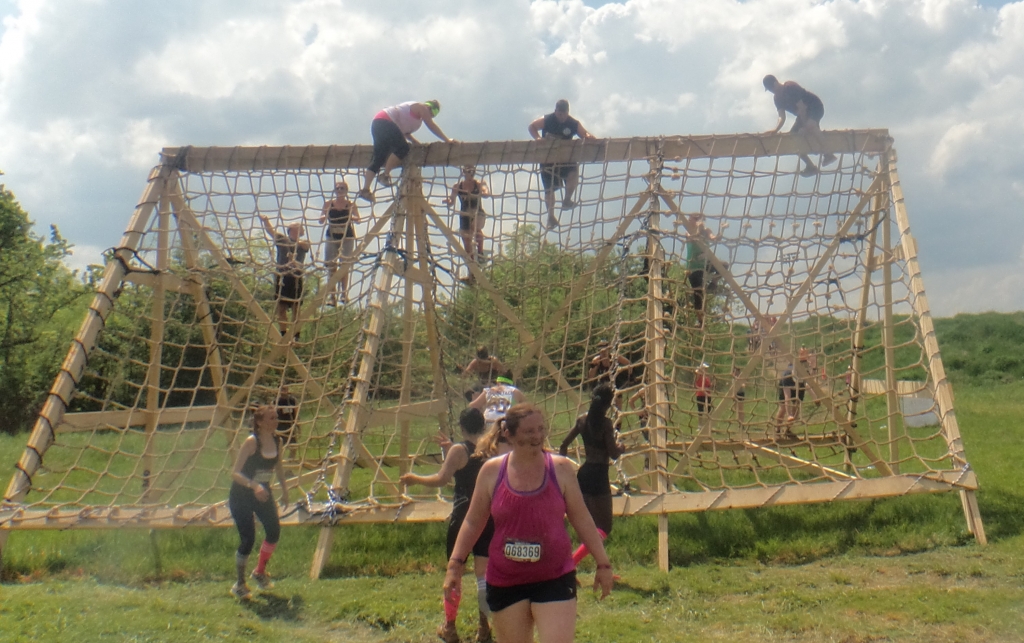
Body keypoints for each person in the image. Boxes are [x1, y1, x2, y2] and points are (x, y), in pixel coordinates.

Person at [443, 404, 614, 643]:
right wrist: (455, 566)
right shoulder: (491, 472)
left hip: (554, 576)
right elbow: (473, 521)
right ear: (509, 434)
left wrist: (603, 564)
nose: (537, 436)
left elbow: (581, 517)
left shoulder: (561, 469)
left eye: (540, 429)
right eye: (529, 431)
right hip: (506, 580)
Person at [401, 408, 496, 643]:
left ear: (462, 427)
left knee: (455, 573)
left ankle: (450, 627)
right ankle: (484, 628)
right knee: (483, 577)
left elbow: (441, 479)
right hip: (488, 515)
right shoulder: (491, 448)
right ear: (482, 425)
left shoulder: (459, 450)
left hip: (464, 515)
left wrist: (415, 478)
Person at [558, 384, 624, 568]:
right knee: (603, 527)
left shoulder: (581, 421)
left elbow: (563, 444)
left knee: (586, 525)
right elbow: (612, 453)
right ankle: (571, 563)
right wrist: (621, 447)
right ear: (608, 404)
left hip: (584, 474)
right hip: (599, 475)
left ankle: (592, 565)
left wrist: (561, 467)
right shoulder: (605, 424)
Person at [228, 404, 289, 600]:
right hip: (242, 494)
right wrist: (254, 486)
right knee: (248, 538)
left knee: (274, 531)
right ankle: (239, 584)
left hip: (263, 493)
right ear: (260, 422)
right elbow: (235, 473)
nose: (276, 421)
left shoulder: (278, 441)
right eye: (271, 418)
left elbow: (278, 468)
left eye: (276, 417)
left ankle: (259, 571)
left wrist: (285, 491)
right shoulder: (251, 442)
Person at [359, 100, 454, 202]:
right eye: (432, 114)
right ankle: (385, 175)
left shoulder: (416, 123)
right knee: (403, 148)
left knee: (379, 157)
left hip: (378, 122)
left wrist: (414, 141)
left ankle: (365, 189)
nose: (430, 116)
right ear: (430, 108)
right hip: (385, 121)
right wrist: (447, 140)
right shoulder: (421, 107)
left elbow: (403, 132)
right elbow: (431, 125)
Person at [528, 99, 597, 229]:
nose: (562, 116)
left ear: (567, 113)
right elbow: (532, 126)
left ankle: (567, 200)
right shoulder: (547, 120)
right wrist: (537, 138)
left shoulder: (573, 123)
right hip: (548, 160)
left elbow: (584, 134)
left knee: (573, 175)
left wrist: (588, 136)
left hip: (566, 159)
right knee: (549, 191)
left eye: (564, 114)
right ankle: (550, 217)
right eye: (559, 114)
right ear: (555, 112)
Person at [763, 74, 837, 177]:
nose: (772, 91)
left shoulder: (789, 87)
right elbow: (781, 116)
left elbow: (802, 108)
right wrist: (775, 130)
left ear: (776, 83)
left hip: (814, 107)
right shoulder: (777, 99)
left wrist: (805, 127)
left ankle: (828, 154)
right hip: (802, 114)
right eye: (770, 90)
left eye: (772, 88)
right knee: (793, 139)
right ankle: (810, 166)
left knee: (810, 126)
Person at [260, 215, 310, 337]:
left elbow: (306, 246)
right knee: (281, 306)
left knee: (296, 307)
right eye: (298, 227)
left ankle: (296, 334)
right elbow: (271, 231)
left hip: (296, 277)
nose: (301, 228)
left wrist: (293, 260)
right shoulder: (282, 239)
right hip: (282, 276)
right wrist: (266, 220)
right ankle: (283, 332)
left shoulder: (303, 243)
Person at [319, 181, 361, 306]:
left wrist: (351, 217)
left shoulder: (351, 205)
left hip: (347, 237)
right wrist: (323, 217)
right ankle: (332, 297)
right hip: (332, 235)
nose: (339, 190)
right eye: (337, 188)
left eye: (342, 188)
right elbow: (321, 219)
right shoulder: (328, 204)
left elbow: (358, 219)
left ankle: (343, 294)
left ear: (346, 190)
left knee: (344, 265)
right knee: (331, 265)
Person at [446, 166, 490, 284]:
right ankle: (472, 272)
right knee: (467, 246)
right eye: (467, 172)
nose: (470, 174)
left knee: (474, 228)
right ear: (464, 172)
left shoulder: (479, 183)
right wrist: (448, 202)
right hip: (464, 215)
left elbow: (486, 192)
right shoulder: (458, 186)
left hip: (477, 212)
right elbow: (452, 200)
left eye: (471, 172)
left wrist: (484, 192)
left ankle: (480, 253)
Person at [685, 213, 718, 329]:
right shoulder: (689, 231)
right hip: (693, 267)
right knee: (698, 294)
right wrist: (698, 230)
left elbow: (712, 237)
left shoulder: (706, 231)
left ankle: (713, 284)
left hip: (704, 265)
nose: (689, 221)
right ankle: (700, 321)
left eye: (691, 219)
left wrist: (718, 235)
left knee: (723, 266)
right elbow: (691, 237)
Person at [774, 365, 799, 439]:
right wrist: (789, 415)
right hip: (786, 383)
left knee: (796, 408)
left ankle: (788, 430)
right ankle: (777, 430)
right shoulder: (786, 376)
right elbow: (787, 397)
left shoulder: (805, 371)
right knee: (783, 408)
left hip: (798, 383)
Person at [275, 384, 299, 459]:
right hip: (280, 427)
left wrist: (298, 426)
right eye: (281, 389)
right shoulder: (276, 401)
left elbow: (296, 413)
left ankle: (290, 462)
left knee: (293, 447)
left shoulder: (293, 400)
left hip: (290, 426)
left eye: (285, 389)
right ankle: (279, 463)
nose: (283, 391)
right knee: (280, 447)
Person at [694, 363, 713, 429]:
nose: (706, 370)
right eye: (705, 368)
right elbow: (696, 374)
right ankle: (700, 425)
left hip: (707, 395)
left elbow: (709, 386)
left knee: (708, 410)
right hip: (700, 395)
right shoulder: (699, 375)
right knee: (700, 411)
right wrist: (700, 370)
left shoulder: (707, 377)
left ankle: (707, 425)